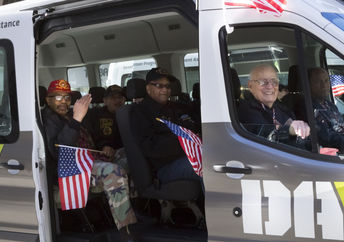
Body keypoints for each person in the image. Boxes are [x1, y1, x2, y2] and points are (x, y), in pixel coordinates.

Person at [41, 79, 138, 242]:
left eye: (67, 98)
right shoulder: (49, 119)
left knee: (130, 155)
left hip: (90, 159)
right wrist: (76, 119)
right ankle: (126, 230)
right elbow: (60, 151)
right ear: (47, 99)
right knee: (114, 172)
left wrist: (104, 147)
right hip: (71, 168)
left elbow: (93, 138)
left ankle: (137, 208)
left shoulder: (69, 116)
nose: (64, 102)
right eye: (58, 97)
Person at [131, 67, 202, 188]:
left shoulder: (177, 107)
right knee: (208, 166)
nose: (165, 90)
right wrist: (184, 141)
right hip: (165, 166)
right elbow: (150, 147)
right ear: (148, 88)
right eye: (159, 85)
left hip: (190, 155)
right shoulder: (140, 112)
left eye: (168, 86)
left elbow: (194, 126)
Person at [238, 64, 310, 144]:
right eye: (263, 82)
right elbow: (262, 133)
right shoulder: (245, 111)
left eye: (274, 81)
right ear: (250, 86)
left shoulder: (280, 108)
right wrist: (289, 129)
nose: (270, 86)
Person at [84, 84, 127, 169]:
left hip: (126, 151)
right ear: (105, 101)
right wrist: (104, 146)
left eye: (120, 97)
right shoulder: (96, 116)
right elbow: (95, 136)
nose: (117, 100)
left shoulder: (130, 114)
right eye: (113, 98)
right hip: (105, 153)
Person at [308, 67, 344, 153]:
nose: (323, 85)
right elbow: (326, 138)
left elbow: (340, 124)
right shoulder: (308, 107)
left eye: (326, 80)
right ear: (309, 84)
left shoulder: (330, 105)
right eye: (318, 81)